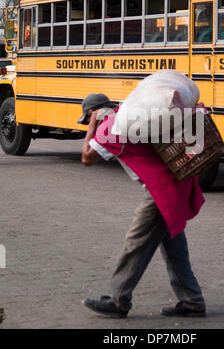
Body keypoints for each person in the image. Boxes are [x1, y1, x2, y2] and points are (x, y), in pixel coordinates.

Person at [80, 93, 206, 318]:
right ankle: (192, 301)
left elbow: (87, 158)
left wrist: (91, 126)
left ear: (94, 113)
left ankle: (119, 301)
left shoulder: (110, 128)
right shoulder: (124, 119)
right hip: (174, 184)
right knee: (173, 247)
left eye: (89, 117)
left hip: (162, 191)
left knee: (136, 243)